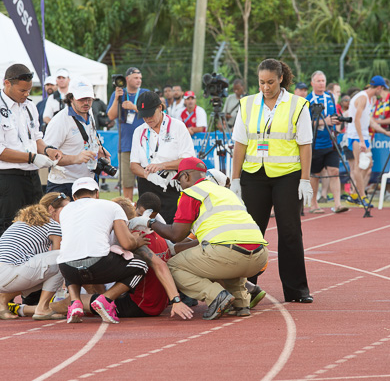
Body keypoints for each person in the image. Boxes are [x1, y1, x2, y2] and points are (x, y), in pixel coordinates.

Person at [132, 157, 269, 319]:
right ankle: (241, 303)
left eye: (179, 180)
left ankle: (216, 295)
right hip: (260, 257)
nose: (180, 185)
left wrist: (149, 222)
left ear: (186, 176)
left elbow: (176, 234)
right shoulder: (226, 192)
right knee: (225, 256)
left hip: (229, 255)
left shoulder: (192, 193)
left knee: (173, 266)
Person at [230, 58, 314, 303]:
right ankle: (245, 289)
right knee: (251, 233)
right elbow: (240, 144)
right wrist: (235, 179)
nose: (265, 87)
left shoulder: (298, 105)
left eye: (270, 82)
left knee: (290, 232)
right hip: (254, 175)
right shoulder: (247, 104)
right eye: (261, 82)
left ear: (280, 79)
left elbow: (305, 144)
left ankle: (297, 290)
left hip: (287, 176)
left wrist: (305, 180)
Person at [51, 193, 194, 320]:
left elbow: (159, 264)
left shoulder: (135, 240)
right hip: (159, 302)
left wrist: (176, 301)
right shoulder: (158, 234)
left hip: (140, 304)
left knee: (75, 292)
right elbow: (172, 251)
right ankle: (100, 300)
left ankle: (42, 307)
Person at [0, 63, 62, 246]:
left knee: (38, 227)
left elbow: (36, 138)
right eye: (22, 90)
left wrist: (48, 151)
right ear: (7, 84)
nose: (26, 94)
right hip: (7, 180)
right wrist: (32, 157)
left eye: (29, 90)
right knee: (7, 230)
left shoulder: (29, 106)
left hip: (31, 177)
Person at [58, 177, 149, 324]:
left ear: (74, 197)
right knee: (141, 265)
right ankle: (105, 299)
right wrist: (137, 241)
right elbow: (127, 243)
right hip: (99, 265)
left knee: (70, 257)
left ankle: (75, 302)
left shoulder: (65, 211)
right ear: (97, 193)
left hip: (67, 269)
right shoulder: (111, 206)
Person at [0, 192, 69, 320]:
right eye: (66, 209)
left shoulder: (23, 222)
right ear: (51, 209)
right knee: (62, 259)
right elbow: (59, 257)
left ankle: (1, 299)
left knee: (45, 272)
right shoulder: (53, 225)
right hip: (9, 272)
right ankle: (42, 308)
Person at [130, 91, 195, 223]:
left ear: (160, 107)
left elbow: (188, 161)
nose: (148, 119)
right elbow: (134, 165)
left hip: (172, 185)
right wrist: (148, 175)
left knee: (172, 225)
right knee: (149, 226)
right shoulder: (139, 131)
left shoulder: (177, 127)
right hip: (147, 187)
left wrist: (162, 166)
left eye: (150, 115)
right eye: (144, 116)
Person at [44, 79, 109, 197]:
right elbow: (47, 156)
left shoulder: (89, 113)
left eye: (89, 99)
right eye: (81, 99)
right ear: (71, 98)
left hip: (88, 180)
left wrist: (99, 148)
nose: (86, 103)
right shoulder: (59, 121)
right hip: (64, 183)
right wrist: (76, 158)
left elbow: (91, 136)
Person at [346, 76, 390, 206]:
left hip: (363, 135)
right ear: (379, 88)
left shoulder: (370, 98)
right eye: (383, 89)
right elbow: (356, 119)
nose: (383, 92)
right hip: (356, 136)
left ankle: (354, 194)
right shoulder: (363, 98)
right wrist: (361, 140)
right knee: (359, 165)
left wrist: (384, 131)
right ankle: (361, 196)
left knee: (368, 165)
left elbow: (368, 120)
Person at [306, 71, 347, 214]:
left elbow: (333, 115)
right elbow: (305, 123)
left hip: (331, 141)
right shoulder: (308, 100)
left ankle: (337, 204)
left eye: (323, 80)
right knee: (315, 174)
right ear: (312, 83)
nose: (321, 83)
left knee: (334, 171)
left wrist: (336, 121)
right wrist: (324, 121)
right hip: (315, 144)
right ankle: (313, 204)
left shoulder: (330, 97)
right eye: (318, 81)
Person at [107, 67, 150, 200]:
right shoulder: (119, 94)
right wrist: (116, 99)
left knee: (147, 182)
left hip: (145, 145)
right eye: (136, 78)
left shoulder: (145, 93)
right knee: (127, 183)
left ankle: (145, 209)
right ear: (127, 79)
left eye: (140, 78)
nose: (139, 80)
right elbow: (111, 116)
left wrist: (134, 107)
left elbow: (152, 112)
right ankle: (129, 210)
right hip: (126, 145)